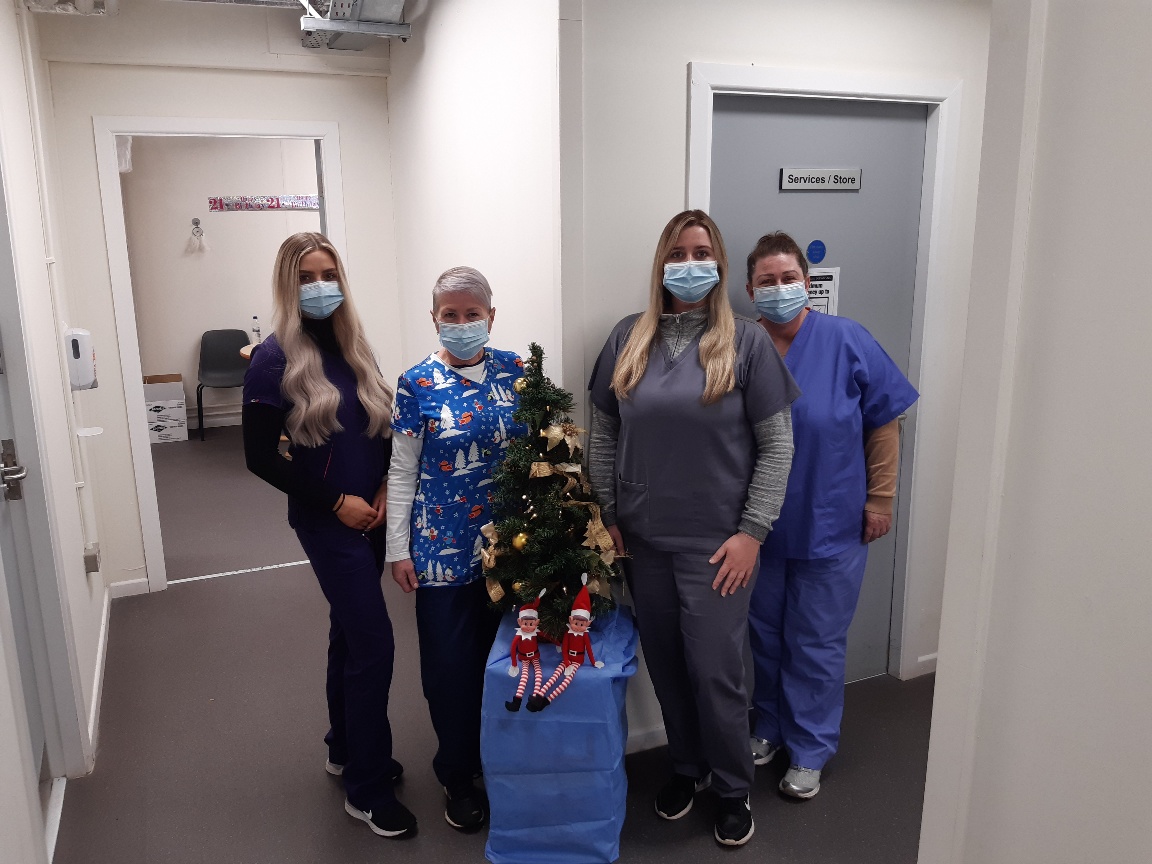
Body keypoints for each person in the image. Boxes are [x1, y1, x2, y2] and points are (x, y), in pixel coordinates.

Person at [587, 210, 799, 847]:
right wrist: (607, 516)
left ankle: (732, 786)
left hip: (719, 544)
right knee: (666, 663)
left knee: (715, 671)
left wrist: (752, 532)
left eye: (701, 251)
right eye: (677, 253)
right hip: (642, 538)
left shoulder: (747, 343)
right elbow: (603, 434)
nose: (689, 263)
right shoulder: (628, 337)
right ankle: (686, 765)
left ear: (720, 263)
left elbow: (778, 446)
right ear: (660, 264)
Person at [242, 232, 415, 838]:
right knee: (374, 644)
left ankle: (344, 749)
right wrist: (337, 502)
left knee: (348, 634)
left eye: (328, 274)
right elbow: (260, 457)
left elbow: (381, 426)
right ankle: (366, 789)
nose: (320, 287)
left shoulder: (354, 346)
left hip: (371, 514)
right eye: (306, 277)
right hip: (327, 521)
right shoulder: (272, 359)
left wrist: (385, 487)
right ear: (288, 286)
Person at [744, 231, 919, 800]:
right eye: (767, 281)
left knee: (815, 642)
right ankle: (768, 726)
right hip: (757, 525)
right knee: (764, 635)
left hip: (831, 520)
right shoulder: (742, 346)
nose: (779, 288)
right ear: (750, 289)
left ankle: (810, 747)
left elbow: (884, 421)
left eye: (788, 278)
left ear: (806, 281)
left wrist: (881, 499)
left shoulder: (847, 339)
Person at [385, 266, 527, 832]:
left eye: (473, 314)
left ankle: (505, 762)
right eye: (451, 314)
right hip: (441, 552)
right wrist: (398, 550)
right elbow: (402, 472)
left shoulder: (517, 371)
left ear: (491, 316)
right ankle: (458, 775)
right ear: (434, 319)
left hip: (512, 550)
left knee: (507, 663)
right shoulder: (415, 383)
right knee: (450, 672)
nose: (462, 323)